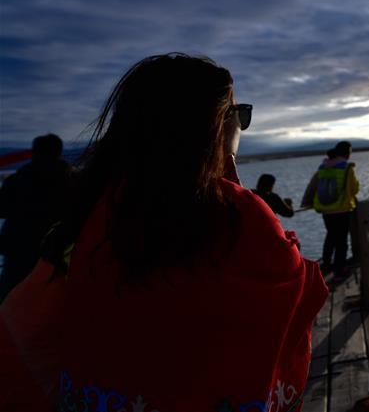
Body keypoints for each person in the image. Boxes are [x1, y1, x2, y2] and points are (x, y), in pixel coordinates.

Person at [0, 53, 328, 411]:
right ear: (215, 124)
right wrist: (235, 191)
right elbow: (292, 286)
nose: (240, 125)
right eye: (238, 114)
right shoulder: (237, 216)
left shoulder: (94, 213)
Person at [0, 134, 72, 302]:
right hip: (58, 253)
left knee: (11, 300)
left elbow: (2, 208)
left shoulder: (17, 181)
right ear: (59, 152)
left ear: (35, 152)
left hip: (18, 250)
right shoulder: (73, 181)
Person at [301, 141, 359, 275]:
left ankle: (326, 265)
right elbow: (354, 188)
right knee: (342, 241)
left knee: (331, 237)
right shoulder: (347, 168)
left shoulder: (323, 167)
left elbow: (312, 185)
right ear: (346, 153)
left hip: (326, 210)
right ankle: (340, 268)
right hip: (342, 210)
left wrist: (307, 202)